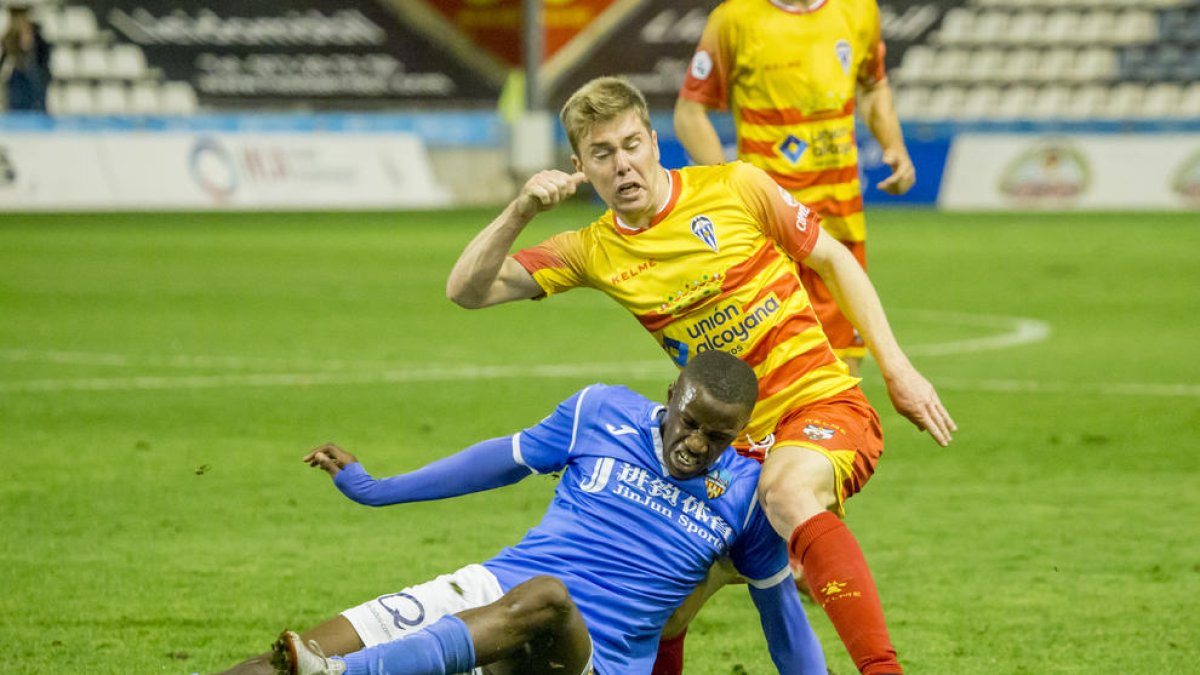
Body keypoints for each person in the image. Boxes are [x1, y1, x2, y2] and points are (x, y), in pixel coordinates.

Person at [445, 76, 955, 675]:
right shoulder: (593, 249)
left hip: (819, 407)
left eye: (631, 144)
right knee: (666, 605)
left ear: (655, 142)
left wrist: (896, 368)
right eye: (602, 154)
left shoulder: (736, 186)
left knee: (787, 491)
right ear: (580, 165)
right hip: (726, 453)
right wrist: (522, 208)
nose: (623, 165)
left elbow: (832, 258)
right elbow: (467, 290)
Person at [221, 351, 827, 675]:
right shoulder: (600, 410)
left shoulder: (751, 495)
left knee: (548, 598)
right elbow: (498, 460)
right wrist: (375, 488)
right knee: (289, 659)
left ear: (741, 433)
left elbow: (786, 627)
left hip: (589, 658)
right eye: (689, 423)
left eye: (716, 438)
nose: (695, 444)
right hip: (488, 597)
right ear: (671, 397)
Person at [674, 0, 916, 377]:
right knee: (768, 378)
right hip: (770, 234)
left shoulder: (858, 10)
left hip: (840, 228)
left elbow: (874, 85)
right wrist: (728, 187)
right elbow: (689, 114)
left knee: (840, 375)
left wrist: (894, 146)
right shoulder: (734, 19)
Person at [0, 4, 52, 112]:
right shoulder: (9, 37)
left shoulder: (38, 37)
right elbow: (5, 58)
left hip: (35, 77)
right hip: (18, 78)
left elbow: (44, 59)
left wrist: (29, 47)